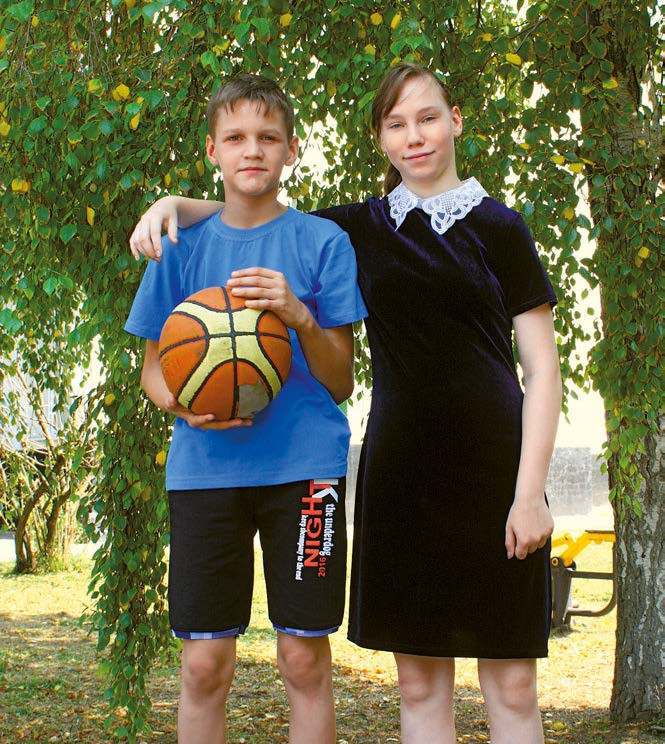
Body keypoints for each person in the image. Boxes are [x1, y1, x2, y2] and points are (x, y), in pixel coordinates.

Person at [129, 64, 561, 744]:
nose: (414, 136)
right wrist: (172, 206)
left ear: (455, 121)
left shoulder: (499, 228)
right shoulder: (361, 226)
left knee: (510, 685)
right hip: (400, 475)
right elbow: (252, 209)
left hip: (495, 471)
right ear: (381, 139)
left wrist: (530, 493)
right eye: (397, 124)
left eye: (427, 118)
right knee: (417, 684)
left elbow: (542, 370)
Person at [124, 73, 367, 744]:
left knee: (303, 660)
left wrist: (298, 316)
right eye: (235, 137)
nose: (251, 150)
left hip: (307, 472)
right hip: (205, 471)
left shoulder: (324, 243)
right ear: (213, 150)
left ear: (292, 149)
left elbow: (341, 381)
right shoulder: (179, 244)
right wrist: (181, 405)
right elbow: (152, 371)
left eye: (267, 137)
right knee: (203, 666)